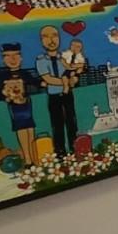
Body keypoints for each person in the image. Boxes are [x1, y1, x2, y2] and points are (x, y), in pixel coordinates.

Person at [36, 25, 78, 157]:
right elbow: (48, 78)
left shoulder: (66, 57)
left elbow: (73, 72)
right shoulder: (41, 60)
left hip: (68, 95)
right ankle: (60, 152)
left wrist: (74, 79)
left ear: (59, 38)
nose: (51, 40)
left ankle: (75, 148)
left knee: (72, 122)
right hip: (54, 96)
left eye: (54, 36)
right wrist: (66, 82)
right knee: (57, 124)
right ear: (42, 41)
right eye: (46, 37)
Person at [0, 43, 38, 167]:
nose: (12, 59)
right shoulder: (2, 76)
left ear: (21, 57)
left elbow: (35, 83)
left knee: (31, 130)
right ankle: (27, 159)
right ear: (3, 59)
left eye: (15, 55)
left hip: (26, 104)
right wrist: (6, 97)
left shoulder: (25, 74)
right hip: (15, 107)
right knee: (21, 130)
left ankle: (34, 157)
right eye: (8, 56)